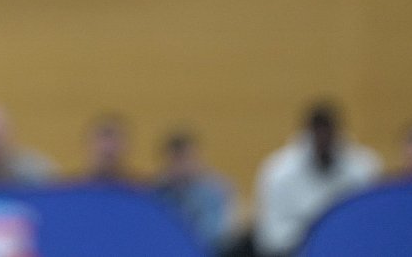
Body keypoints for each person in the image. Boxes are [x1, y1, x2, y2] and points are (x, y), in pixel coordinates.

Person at [252, 100, 381, 257]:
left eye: (328, 135)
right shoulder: (278, 173)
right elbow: (271, 237)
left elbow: (372, 223)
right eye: (318, 135)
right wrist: (318, 236)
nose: (323, 140)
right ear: (307, 136)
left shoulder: (362, 167)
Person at [151, 129, 234, 254]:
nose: (182, 166)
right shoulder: (155, 191)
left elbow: (216, 235)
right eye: (176, 160)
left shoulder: (216, 189)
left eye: (187, 159)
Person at [85, 112, 133, 183]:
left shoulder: (143, 189)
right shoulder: (70, 188)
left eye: (115, 139)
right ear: (87, 145)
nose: (108, 147)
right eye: (102, 137)